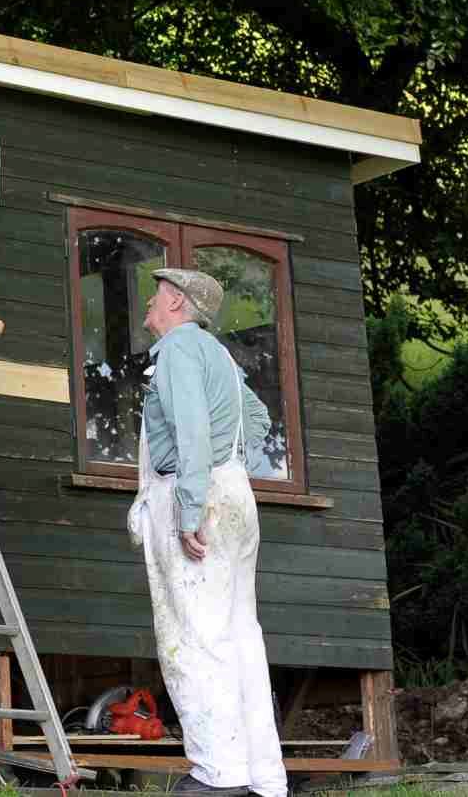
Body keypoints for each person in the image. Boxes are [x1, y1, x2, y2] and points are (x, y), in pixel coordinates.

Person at [131, 267, 289, 797]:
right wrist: (229, 471)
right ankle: (263, 778)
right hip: (235, 492)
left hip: (200, 493)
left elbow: (193, 427)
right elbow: (258, 419)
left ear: (176, 302)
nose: (147, 303)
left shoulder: (178, 350)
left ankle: (218, 774)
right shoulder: (218, 355)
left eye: (155, 295)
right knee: (242, 635)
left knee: (194, 637)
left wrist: (191, 504)